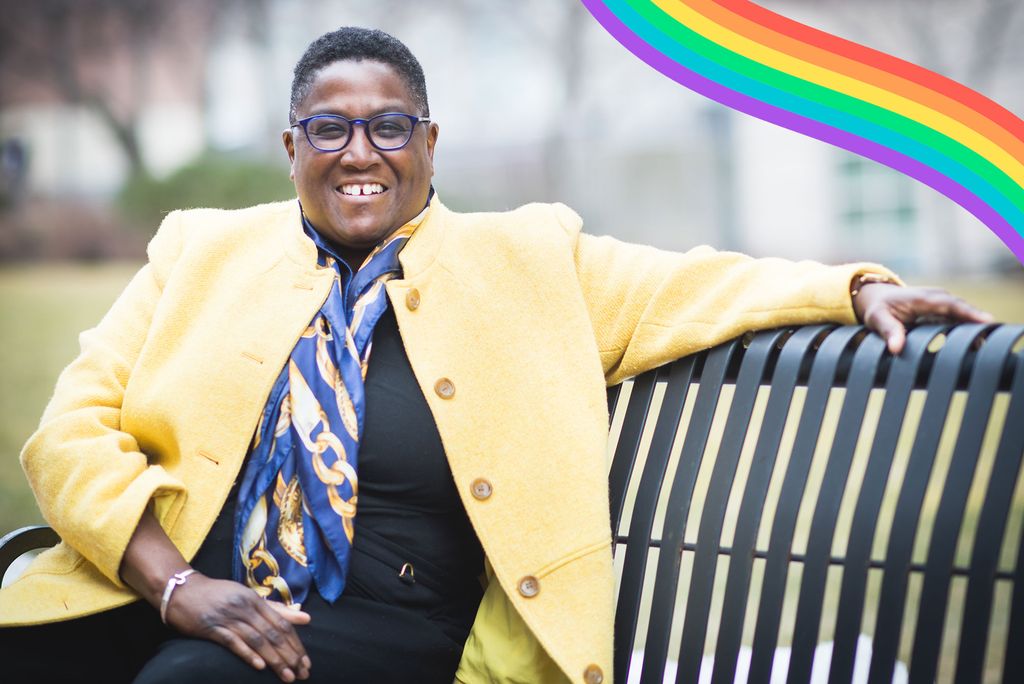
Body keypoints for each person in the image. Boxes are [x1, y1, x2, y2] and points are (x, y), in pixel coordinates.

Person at [0, 26, 992, 684]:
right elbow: (68, 434)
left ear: (429, 143)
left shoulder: (526, 257)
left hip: (388, 624)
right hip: (177, 585)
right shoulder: (199, 249)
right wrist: (177, 585)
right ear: (289, 146)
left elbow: (686, 284)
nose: (360, 153)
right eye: (328, 128)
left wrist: (850, 286)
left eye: (389, 126)